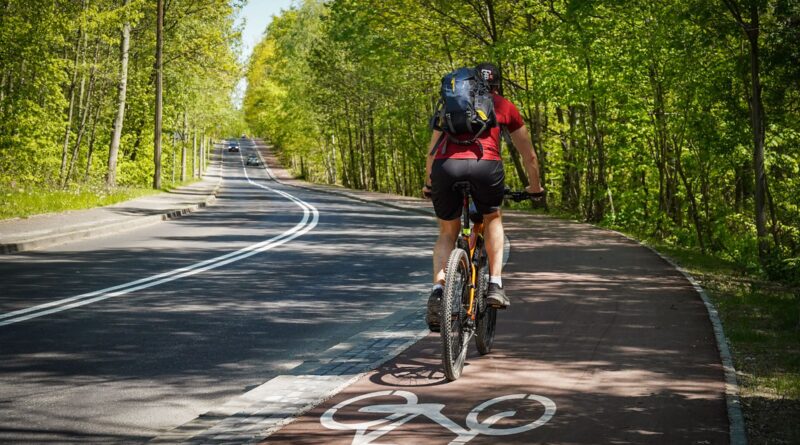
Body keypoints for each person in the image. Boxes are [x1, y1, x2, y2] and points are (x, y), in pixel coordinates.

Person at [423, 62, 544, 331]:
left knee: (446, 232)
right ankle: (495, 284)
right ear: (497, 84)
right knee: (492, 217)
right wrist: (535, 188)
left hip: (446, 167)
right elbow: (529, 156)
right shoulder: (504, 106)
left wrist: (428, 183)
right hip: (485, 166)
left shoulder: (451, 104)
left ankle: (438, 291)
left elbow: (432, 151)